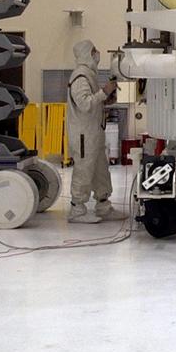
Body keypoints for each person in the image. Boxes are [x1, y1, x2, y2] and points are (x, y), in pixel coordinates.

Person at [66, 40, 123, 224]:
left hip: (95, 134)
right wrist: (104, 91)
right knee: (83, 170)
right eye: (94, 51)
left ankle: (103, 206)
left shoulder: (89, 75)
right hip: (84, 135)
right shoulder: (80, 76)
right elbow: (84, 104)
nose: (97, 54)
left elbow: (94, 102)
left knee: (101, 172)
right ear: (86, 54)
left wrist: (107, 98)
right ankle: (77, 210)